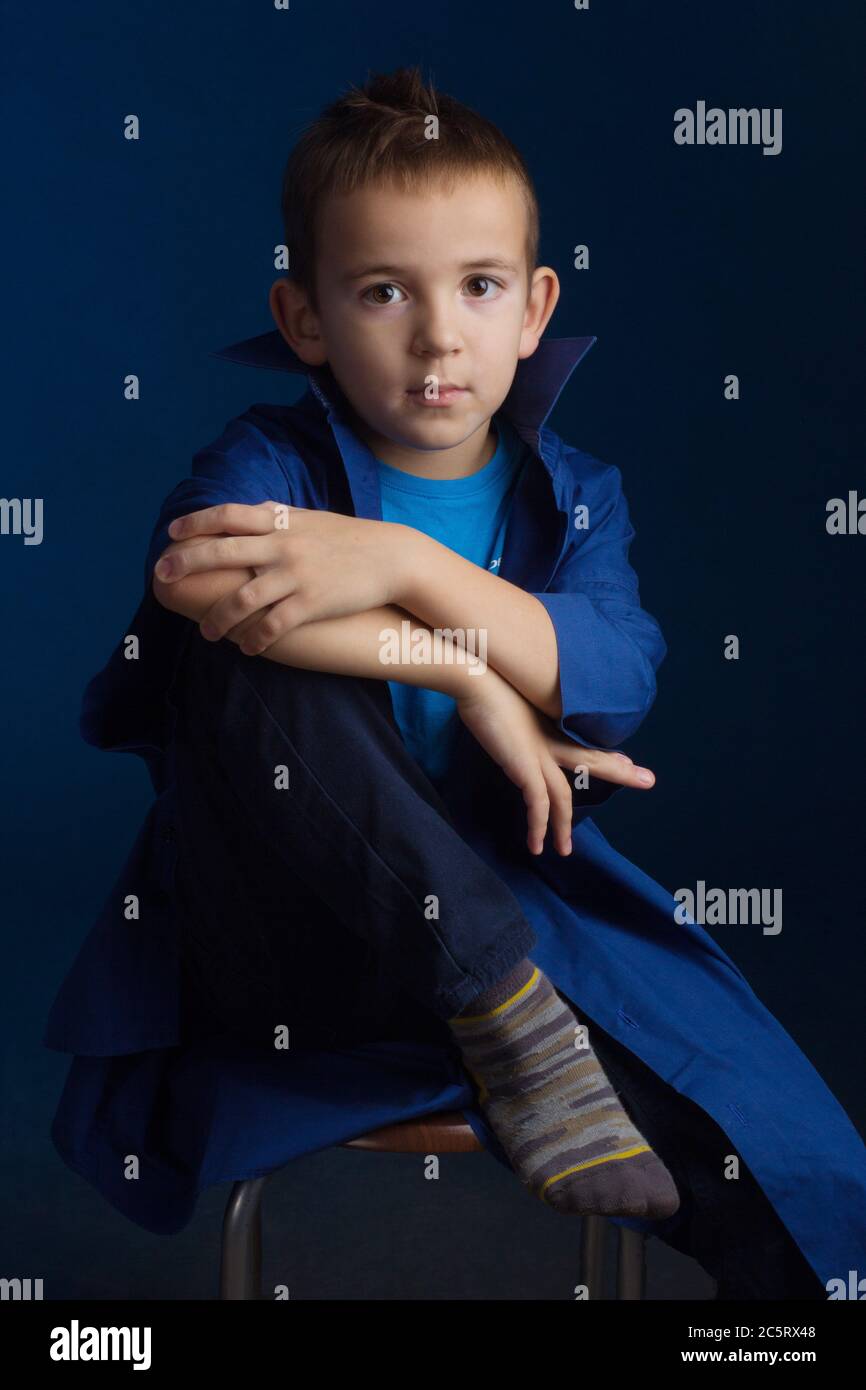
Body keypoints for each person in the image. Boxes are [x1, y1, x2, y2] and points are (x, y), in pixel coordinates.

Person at [45, 66, 865, 1299]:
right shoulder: (269, 457)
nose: (437, 335)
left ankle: (526, 1026)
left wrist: (401, 562)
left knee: (781, 1158)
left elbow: (612, 669)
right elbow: (197, 586)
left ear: (533, 307)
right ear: (305, 315)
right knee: (245, 660)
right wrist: (466, 675)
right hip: (291, 942)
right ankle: (499, 1006)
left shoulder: (577, 493)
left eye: (477, 287)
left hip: (519, 918)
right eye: (382, 291)